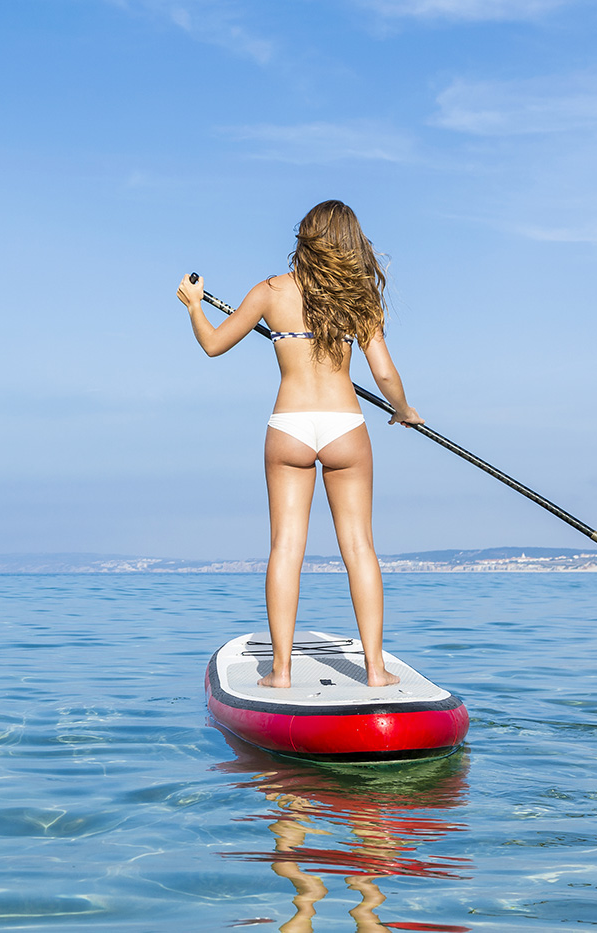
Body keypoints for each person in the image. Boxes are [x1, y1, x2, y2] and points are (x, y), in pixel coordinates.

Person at [176, 200, 423, 688]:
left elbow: (213, 345)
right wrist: (403, 409)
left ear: (304, 238)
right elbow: (384, 373)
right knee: (359, 548)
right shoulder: (358, 299)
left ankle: (282, 672)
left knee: (286, 547)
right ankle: (375, 671)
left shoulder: (270, 291)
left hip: (288, 426)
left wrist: (194, 307)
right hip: (344, 426)